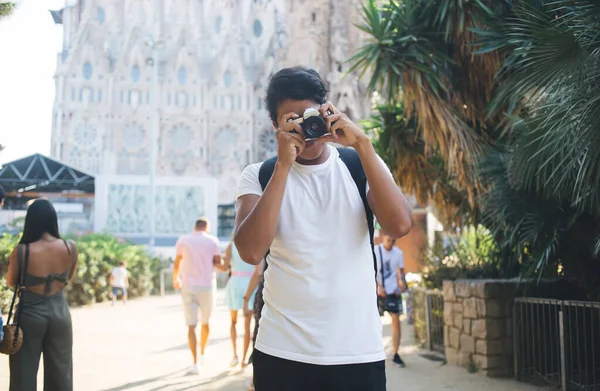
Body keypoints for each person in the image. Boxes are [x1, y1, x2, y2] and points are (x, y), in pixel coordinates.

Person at [234, 66, 412, 391]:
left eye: (310, 115)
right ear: (275, 126)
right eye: (292, 120)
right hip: (281, 350)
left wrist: (363, 144)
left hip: (357, 350)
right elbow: (250, 251)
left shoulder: (360, 164)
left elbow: (399, 225)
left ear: (327, 110)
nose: (306, 128)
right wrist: (284, 165)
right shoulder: (259, 175)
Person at [5, 199, 79, 391]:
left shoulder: (22, 251)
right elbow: (67, 278)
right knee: (61, 372)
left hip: (29, 314)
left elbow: (11, 281)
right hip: (60, 314)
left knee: (24, 372)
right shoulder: (70, 247)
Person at [172, 218, 227, 375]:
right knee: (206, 322)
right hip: (207, 286)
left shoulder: (183, 240)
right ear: (206, 227)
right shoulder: (212, 241)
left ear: (195, 227)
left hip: (188, 285)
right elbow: (218, 263)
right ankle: (202, 352)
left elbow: (177, 262)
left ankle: (195, 362)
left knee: (190, 325)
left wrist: (175, 279)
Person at [375, 232, 407, 367]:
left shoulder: (398, 253)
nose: (390, 243)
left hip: (393, 292)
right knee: (374, 323)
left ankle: (395, 353)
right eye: (388, 240)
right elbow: (369, 270)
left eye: (393, 241)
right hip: (378, 292)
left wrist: (403, 286)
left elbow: (402, 274)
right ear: (383, 238)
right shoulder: (376, 251)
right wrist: (377, 287)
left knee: (396, 322)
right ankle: (376, 354)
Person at [224, 240, 257, 369]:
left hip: (234, 284)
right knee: (247, 325)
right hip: (250, 284)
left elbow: (225, 267)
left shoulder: (231, 246)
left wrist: (214, 263)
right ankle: (243, 359)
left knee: (233, 322)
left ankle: (235, 355)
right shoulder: (255, 243)